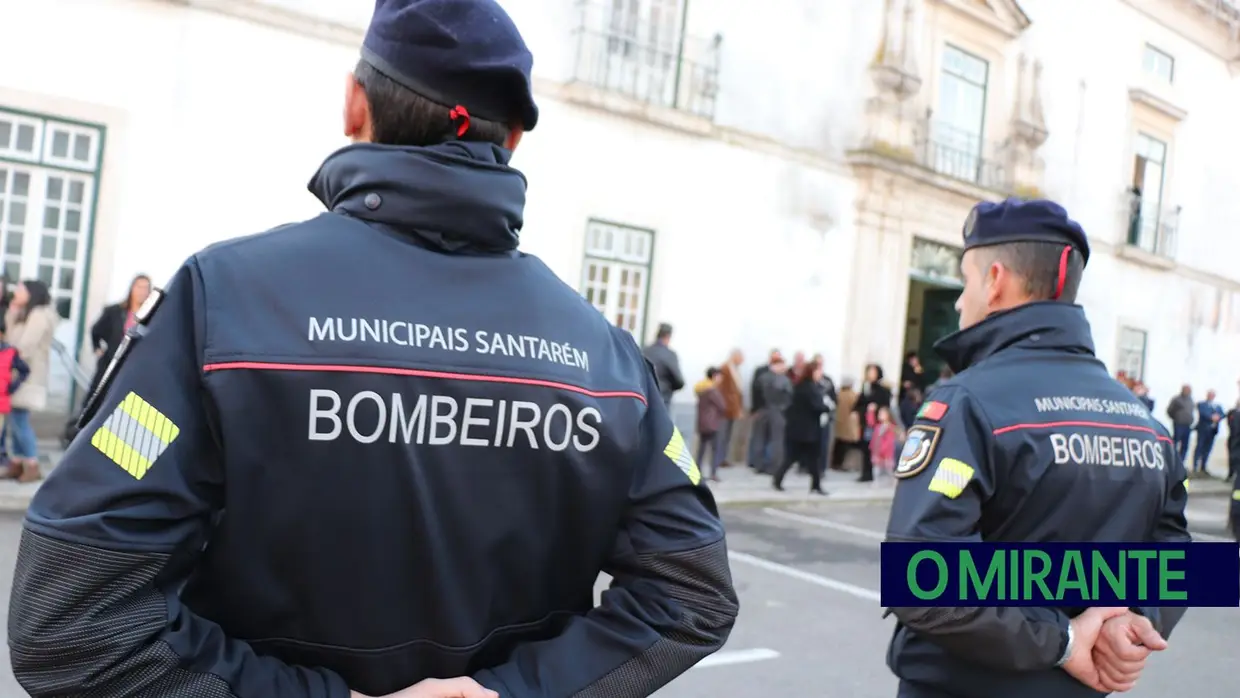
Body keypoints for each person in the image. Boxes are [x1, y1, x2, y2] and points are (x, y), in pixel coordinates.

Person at [6, 2, 738, 698]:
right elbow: (691, 590)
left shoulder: (222, 304)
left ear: (355, 104)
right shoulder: (603, 355)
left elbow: (71, 620)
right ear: (513, 136)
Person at [884, 198, 1189, 698]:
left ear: (996, 279)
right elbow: (1180, 556)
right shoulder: (1147, 424)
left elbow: (919, 578)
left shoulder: (967, 402)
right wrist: (1130, 620)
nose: (960, 302)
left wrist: (1066, 640)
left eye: (966, 281)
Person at [3, 279, 57, 483]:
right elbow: (9, 337)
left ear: (31, 293)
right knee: (14, 419)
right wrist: (12, 310)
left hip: (28, 375)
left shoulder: (39, 315)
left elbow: (25, 346)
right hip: (15, 373)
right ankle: (17, 463)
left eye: (20, 289)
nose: (16, 291)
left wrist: (8, 358)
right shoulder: (24, 313)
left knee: (19, 420)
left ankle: (32, 465)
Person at [87, 273, 152, 399]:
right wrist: (97, 348)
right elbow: (96, 330)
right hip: (111, 363)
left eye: (146, 288)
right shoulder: (115, 311)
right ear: (132, 289)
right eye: (139, 287)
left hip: (134, 368)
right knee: (98, 399)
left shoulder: (151, 316)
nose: (142, 292)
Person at [773, 361, 829, 495]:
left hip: (799, 429)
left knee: (799, 458)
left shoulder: (801, 386)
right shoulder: (809, 388)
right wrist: (827, 407)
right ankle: (814, 485)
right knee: (805, 458)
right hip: (807, 431)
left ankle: (813, 484)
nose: (820, 374)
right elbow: (816, 406)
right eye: (818, 371)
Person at [694, 367, 727, 482]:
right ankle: (713, 473)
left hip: (702, 423)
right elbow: (722, 405)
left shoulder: (700, 389)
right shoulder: (712, 390)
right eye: (719, 376)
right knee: (715, 449)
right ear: (714, 376)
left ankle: (697, 471)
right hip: (712, 423)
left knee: (701, 449)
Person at [642, 322, 684, 408]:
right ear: (668, 336)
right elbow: (679, 381)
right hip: (662, 399)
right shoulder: (669, 355)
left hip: (643, 397)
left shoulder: (644, 351)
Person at [1193, 389, 1224, 475]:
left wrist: (1218, 417)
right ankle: (1195, 467)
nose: (1211, 396)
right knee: (1199, 447)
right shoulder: (1201, 404)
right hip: (1203, 430)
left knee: (1208, 449)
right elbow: (1203, 413)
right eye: (1210, 394)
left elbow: (1222, 414)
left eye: (1212, 395)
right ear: (1207, 395)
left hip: (1212, 431)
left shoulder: (1217, 406)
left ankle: (1203, 467)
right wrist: (1211, 417)